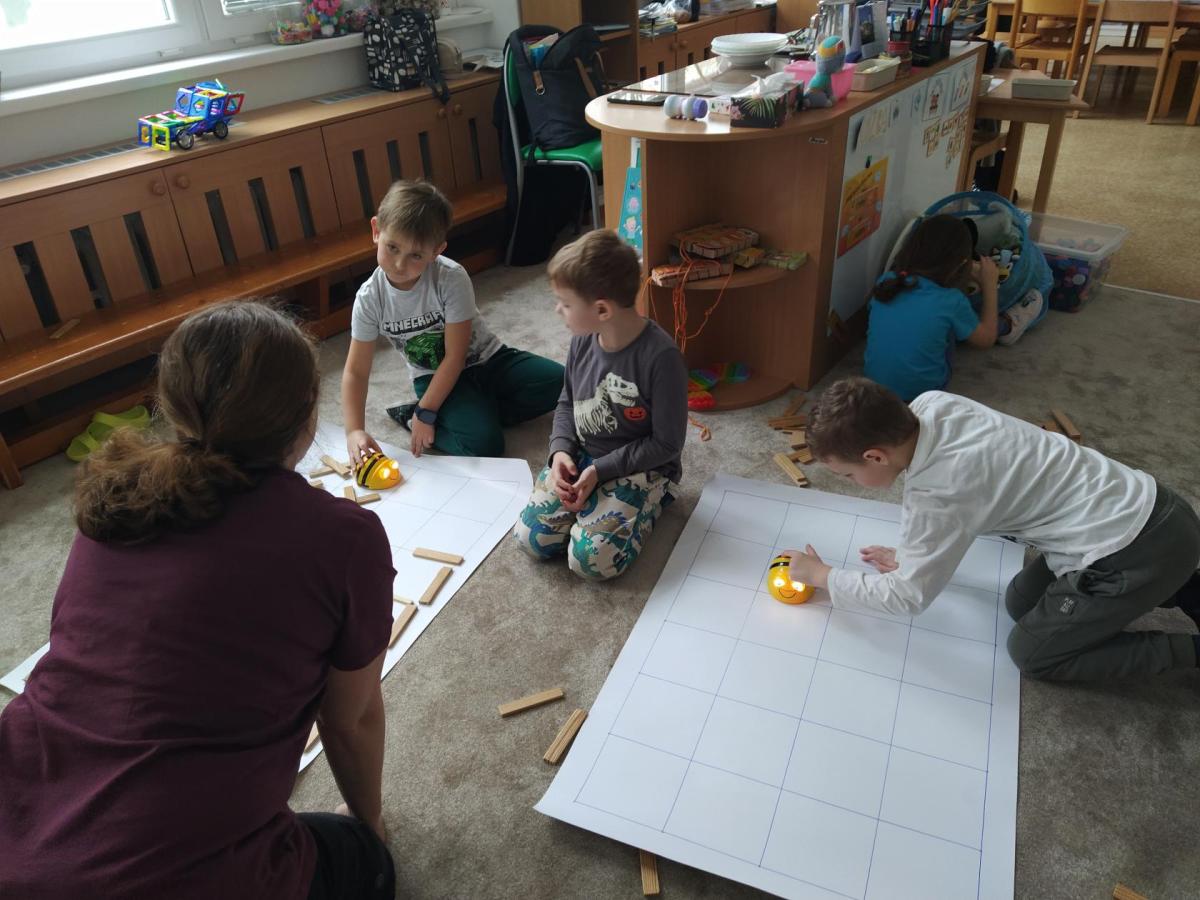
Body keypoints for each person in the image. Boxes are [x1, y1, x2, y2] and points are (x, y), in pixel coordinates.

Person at [0, 302, 396, 899]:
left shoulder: (112, 500)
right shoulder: (345, 537)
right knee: (359, 855)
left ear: (172, 404)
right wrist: (372, 827)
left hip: (14, 835)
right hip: (159, 881)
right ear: (307, 412)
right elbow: (351, 719)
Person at [782, 376, 1200, 682]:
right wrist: (915, 555)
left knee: (1033, 655)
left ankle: (1189, 643)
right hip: (1156, 506)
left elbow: (907, 597)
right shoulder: (932, 404)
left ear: (875, 456)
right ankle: (1186, 587)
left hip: (1132, 551)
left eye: (848, 475)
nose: (852, 482)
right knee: (1021, 602)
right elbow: (980, 491)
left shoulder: (939, 494)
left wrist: (824, 576)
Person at [342, 179, 564, 462]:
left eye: (415, 255)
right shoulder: (370, 298)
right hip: (432, 375)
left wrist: (427, 412)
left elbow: (456, 357)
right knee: (486, 445)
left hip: (489, 359)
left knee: (562, 382)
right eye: (392, 247)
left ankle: (470, 413)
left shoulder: (450, 278)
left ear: (437, 251)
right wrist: (354, 430)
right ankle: (417, 416)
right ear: (376, 231)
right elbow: (356, 371)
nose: (399, 264)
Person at [512, 229, 688, 580]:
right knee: (531, 539)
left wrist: (600, 472)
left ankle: (653, 501)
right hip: (583, 456)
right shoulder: (582, 339)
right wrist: (560, 452)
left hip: (639, 467)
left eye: (565, 304)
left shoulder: (661, 358)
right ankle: (591, 508)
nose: (557, 310)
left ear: (602, 309)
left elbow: (667, 444)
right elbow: (567, 402)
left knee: (590, 562)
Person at [865, 214, 1043, 401]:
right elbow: (986, 340)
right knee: (956, 321)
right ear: (962, 262)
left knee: (932, 320)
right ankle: (1008, 325)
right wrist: (990, 285)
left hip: (876, 386)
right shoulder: (951, 300)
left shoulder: (887, 281)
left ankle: (968, 327)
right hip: (925, 393)